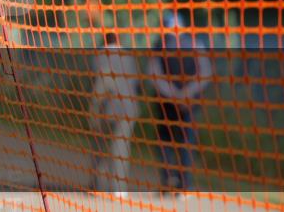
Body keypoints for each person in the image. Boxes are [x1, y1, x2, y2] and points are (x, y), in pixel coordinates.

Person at [147, 11, 213, 192]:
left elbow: (205, 73)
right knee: (173, 142)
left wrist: (178, 94)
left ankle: (181, 183)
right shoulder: (187, 44)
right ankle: (173, 182)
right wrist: (182, 95)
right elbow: (205, 74)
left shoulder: (164, 46)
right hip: (175, 104)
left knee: (178, 142)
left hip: (178, 103)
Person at [89, 32, 140, 196]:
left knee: (100, 147)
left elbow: (101, 83)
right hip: (128, 107)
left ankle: (98, 185)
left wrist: (94, 108)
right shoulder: (128, 56)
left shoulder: (101, 55)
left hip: (108, 108)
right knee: (121, 149)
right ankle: (118, 189)